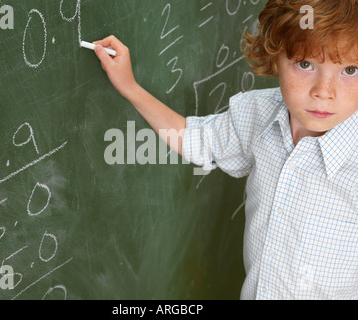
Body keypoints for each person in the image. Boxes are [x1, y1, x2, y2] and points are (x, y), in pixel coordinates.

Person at [92, 0, 358, 300]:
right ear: (275, 57)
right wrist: (130, 87)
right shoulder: (257, 114)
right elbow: (192, 138)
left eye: (350, 69)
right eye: (305, 64)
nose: (324, 91)